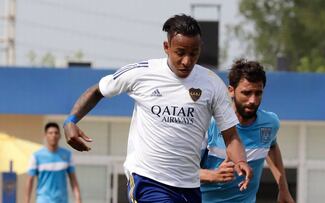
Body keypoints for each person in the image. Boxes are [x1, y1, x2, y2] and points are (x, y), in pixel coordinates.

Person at [63, 14, 252, 202]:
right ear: (166, 47)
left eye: (193, 53)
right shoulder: (142, 73)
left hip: (189, 186)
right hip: (147, 179)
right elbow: (98, 90)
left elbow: (231, 136)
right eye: (180, 53)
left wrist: (241, 161)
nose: (187, 61)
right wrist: (70, 120)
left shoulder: (212, 84)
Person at [200, 59, 295, 203]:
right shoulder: (210, 123)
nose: (253, 100)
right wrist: (214, 175)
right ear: (231, 91)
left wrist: (283, 189)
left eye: (258, 93)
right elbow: (183, 172)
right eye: (246, 93)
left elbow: (271, 147)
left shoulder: (270, 123)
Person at [25, 122, 81, 203]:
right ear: (45, 135)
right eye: (50, 133)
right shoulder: (36, 156)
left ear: (60, 136)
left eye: (56, 133)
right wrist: (26, 201)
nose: (53, 135)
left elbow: (73, 180)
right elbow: (30, 181)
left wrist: (78, 199)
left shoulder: (67, 155)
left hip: (62, 200)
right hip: (43, 200)